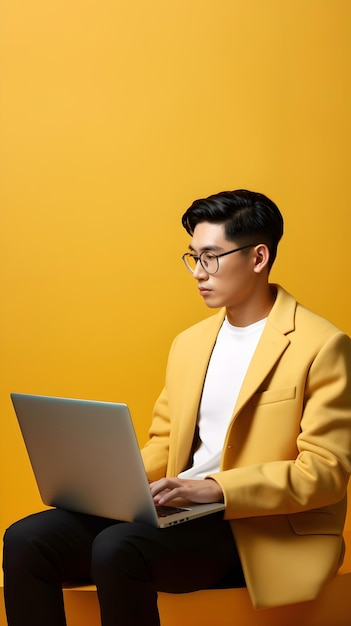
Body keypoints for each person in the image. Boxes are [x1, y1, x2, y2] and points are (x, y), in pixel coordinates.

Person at [3, 189, 351, 625]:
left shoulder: (322, 346)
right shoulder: (190, 343)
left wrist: (216, 488)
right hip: (181, 512)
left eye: (211, 257)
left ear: (258, 257)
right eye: (193, 258)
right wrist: (108, 483)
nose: (198, 273)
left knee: (118, 548)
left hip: (255, 529)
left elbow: (325, 472)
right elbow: (164, 446)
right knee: (27, 538)